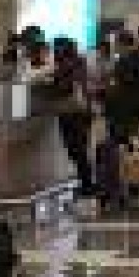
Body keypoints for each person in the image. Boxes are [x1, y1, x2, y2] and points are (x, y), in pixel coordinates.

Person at [48, 38, 95, 196]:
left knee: (76, 149)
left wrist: (52, 84)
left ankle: (87, 184)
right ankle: (86, 182)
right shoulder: (79, 63)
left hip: (71, 112)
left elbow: (64, 88)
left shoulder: (66, 66)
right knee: (79, 149)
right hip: (82, 111)